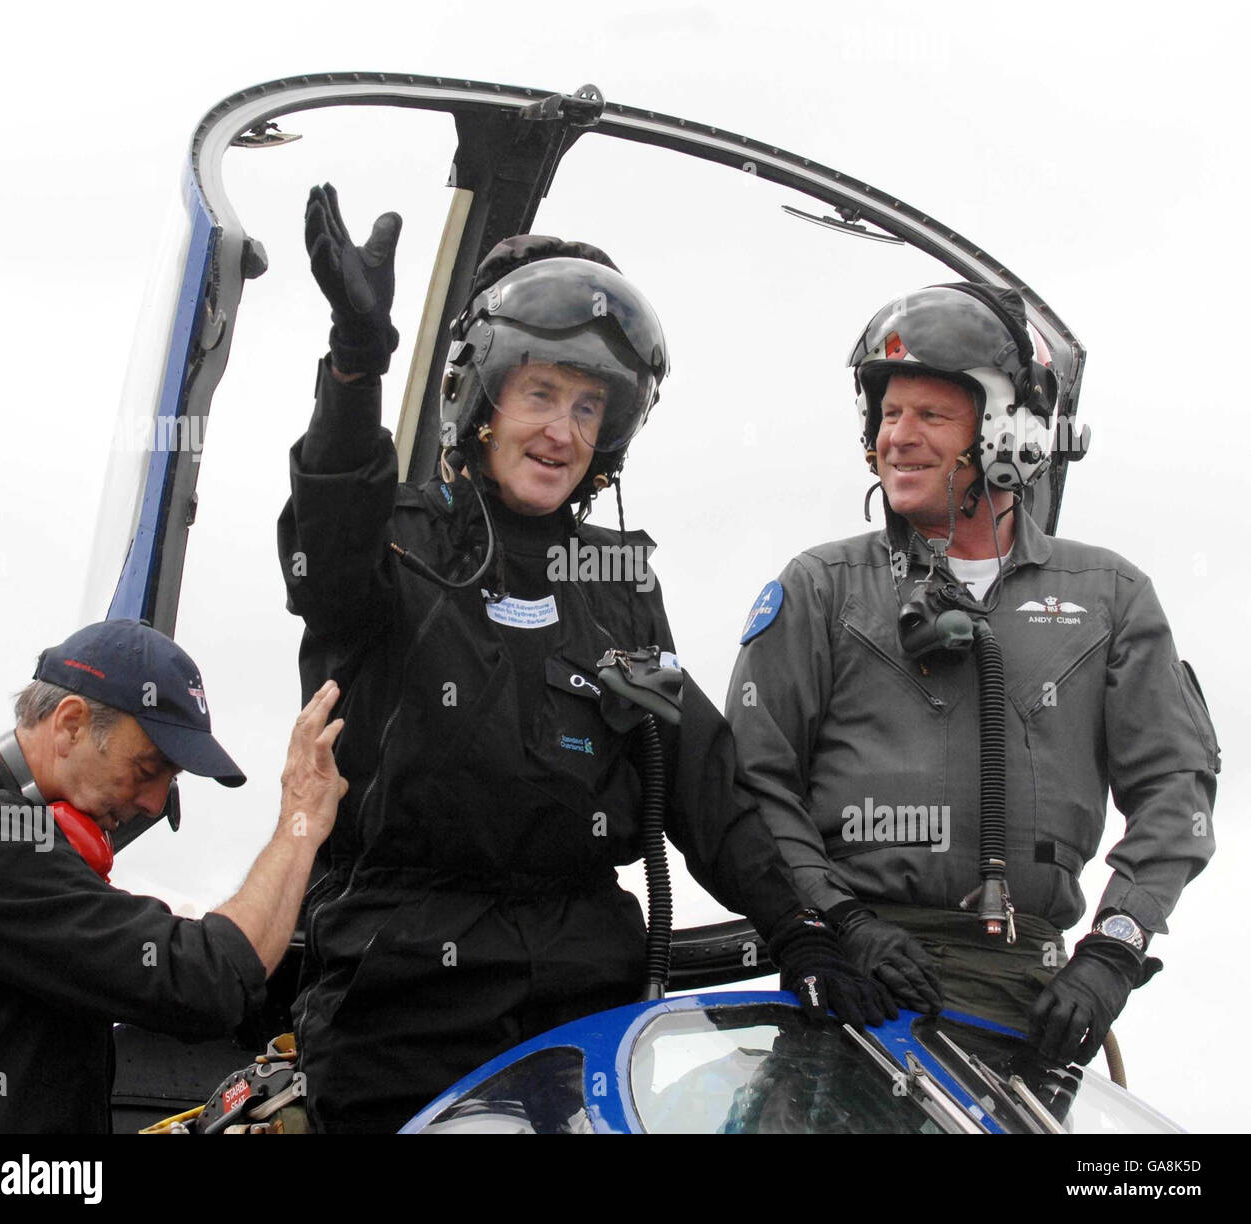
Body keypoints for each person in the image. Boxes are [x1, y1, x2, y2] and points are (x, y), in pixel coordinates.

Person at [277, 184, 891, 1133]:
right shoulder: (393, 541)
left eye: (588, 405)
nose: (561, 431)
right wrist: (356, 367)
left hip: (583, 1003)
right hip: (403, 993)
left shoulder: (615, 581)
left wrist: (801, 926)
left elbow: (703, 782)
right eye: (539, 394)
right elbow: (326, 526)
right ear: (483, 399)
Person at [728, 282, 1219, 1065]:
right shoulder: (821, 588)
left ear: (1002, 433)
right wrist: (837, 924)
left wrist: (1115, 952)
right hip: (854, 990)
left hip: (1024, 1004)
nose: (900, 438)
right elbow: (752, 781)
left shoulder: (1109, 595)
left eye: (931, 415)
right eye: (889, 414)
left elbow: (1176, 789)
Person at [0, 619, 347, 1133]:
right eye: (146, 770)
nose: (154, 804)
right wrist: (301, 818)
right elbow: (206, 981)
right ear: (70, 723)